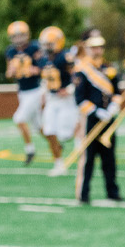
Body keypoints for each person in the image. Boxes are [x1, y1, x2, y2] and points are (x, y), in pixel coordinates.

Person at [73, 32, 123, 204]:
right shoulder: (82, 70)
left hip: (108, 120)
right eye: (93, 47)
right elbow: (79, 99)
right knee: (88, 159)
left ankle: (112, 191)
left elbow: (117, 92)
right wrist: (96, 111)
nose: (97, 51)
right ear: (87, 49)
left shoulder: (109, 68)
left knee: (109, 158)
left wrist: (114, 106)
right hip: (91, 120)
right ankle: (84, 194)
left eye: (99, 47)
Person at [4, 21, 44, 165]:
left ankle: (30, 150)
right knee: (38, 126)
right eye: (15, 36)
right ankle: (55, 143)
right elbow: (8, 72)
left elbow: (43, 67)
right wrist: (12, 71)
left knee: (19, 119)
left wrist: (33, 70)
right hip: (22, 92)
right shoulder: (11, 51)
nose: (18, 39)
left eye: (21, 35)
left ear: (27, 35)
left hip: (35, 90)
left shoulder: (34, 48)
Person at [37, 26, 75, 176]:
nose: (47, 47)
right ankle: (59, 164)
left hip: (67, 100)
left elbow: (77, 76)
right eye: (45, 44)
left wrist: (70, 89)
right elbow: (45, 80)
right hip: (52, 99)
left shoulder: (66, 57)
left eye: (49, 44)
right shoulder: (43, 60)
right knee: (49, 131)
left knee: (65, 135)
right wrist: (43, 95)